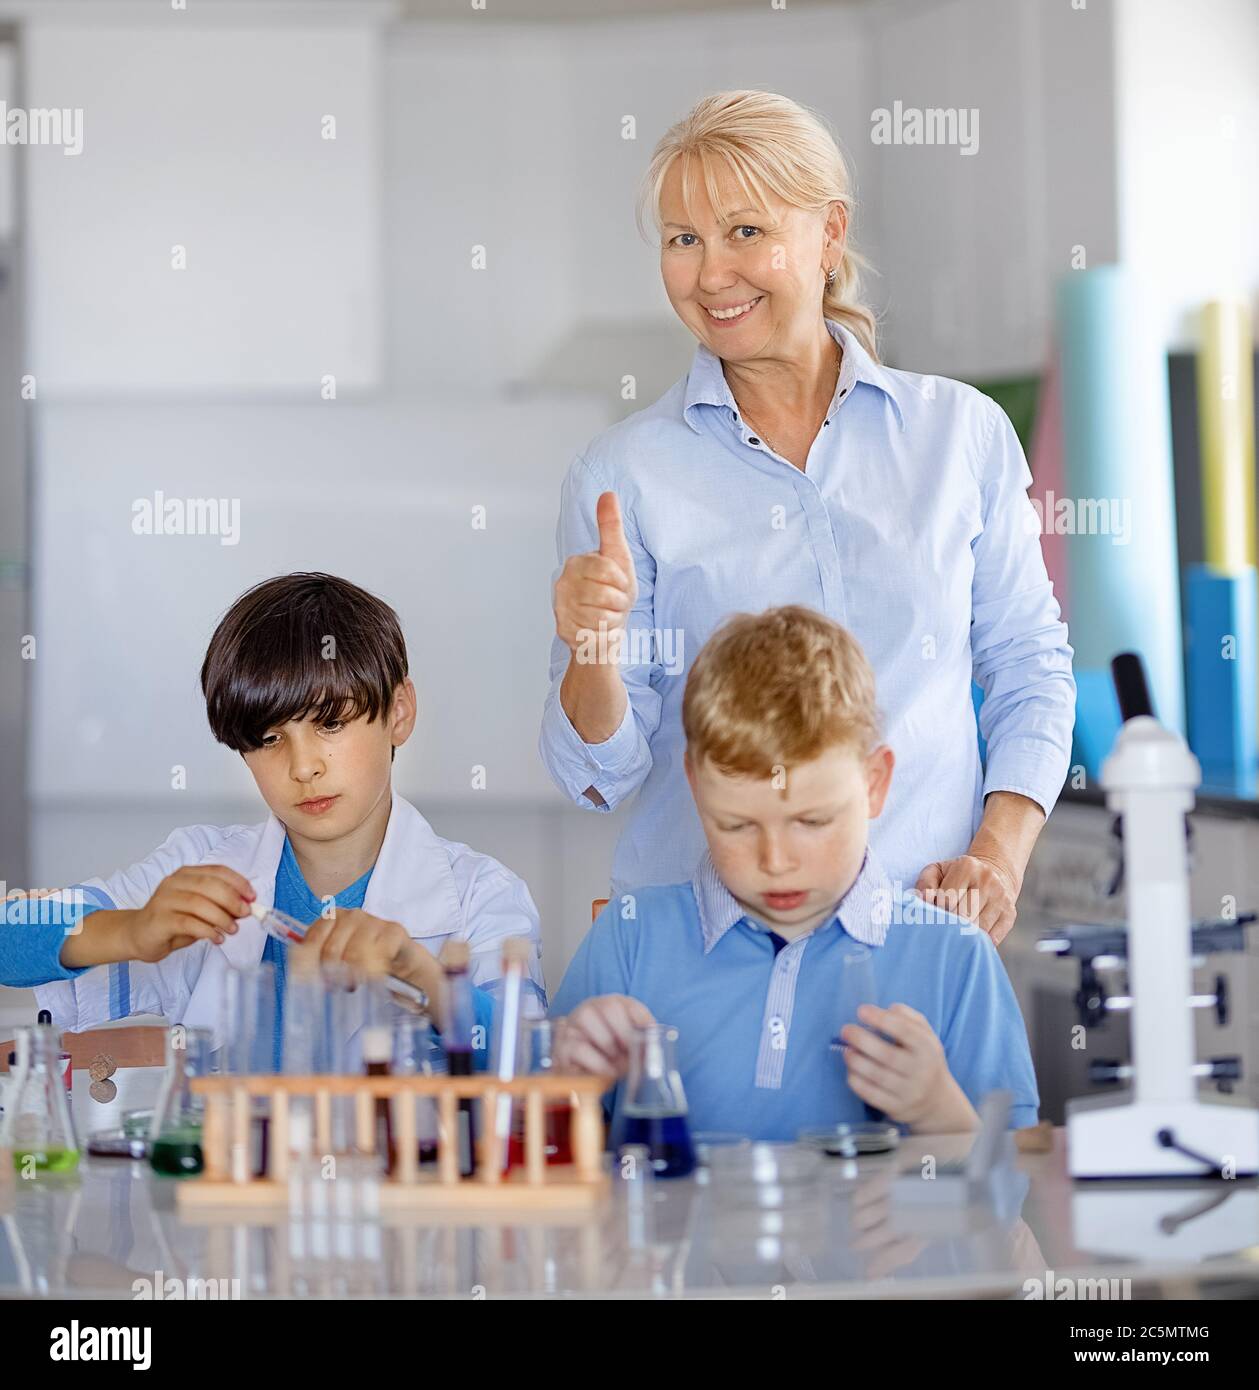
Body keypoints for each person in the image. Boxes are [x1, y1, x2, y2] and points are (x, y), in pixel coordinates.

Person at [540, 89, 1074, 942]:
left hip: (919, 936)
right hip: (703, 955)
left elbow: (1028, 666)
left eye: (745, 231)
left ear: (828, 233)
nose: (711, 274)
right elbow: (600, 775)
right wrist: (593, 657)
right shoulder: (621, 475)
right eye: (684, 240)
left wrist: (996, 857)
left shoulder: (957, 434)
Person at [1, 573, 544, 1064]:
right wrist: (131, 929)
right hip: (230, 1171)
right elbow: (10, 933)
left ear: (399, 713)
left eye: (330, 723)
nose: (303, 766)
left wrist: (420, 971)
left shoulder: (479, 896)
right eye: (269, 739)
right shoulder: (202, 866)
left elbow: (534, 1063)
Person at [551, 606, 1039, 1139]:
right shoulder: (631, 935)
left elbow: (1014, 1196)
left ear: (875, 784)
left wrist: (941, 1113)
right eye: (737, 824)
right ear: (694, 785)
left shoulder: (955, 957)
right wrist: (569, 1086)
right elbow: (535, 1148)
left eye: (811, 821)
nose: (776, 861)